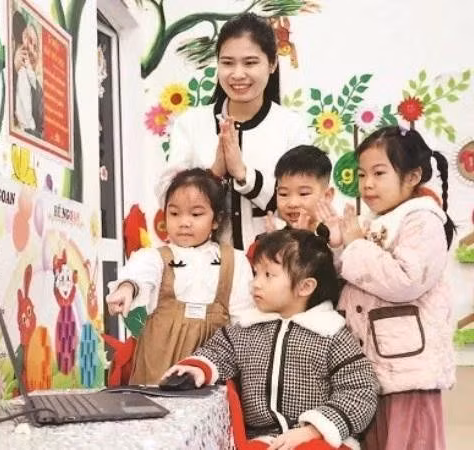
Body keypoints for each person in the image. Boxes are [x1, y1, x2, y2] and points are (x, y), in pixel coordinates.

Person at [163, 229, 379, 449]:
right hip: (264, 437)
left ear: (305, 287)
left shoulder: (331, 334)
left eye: (268, 275)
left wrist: (314, 428)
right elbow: (218, 352)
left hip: (320, 437)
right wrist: (197, 368)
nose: (256, 283)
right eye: (256, 273)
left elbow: (360, 390)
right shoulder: (248, 328)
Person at [316, 126, 456, 450]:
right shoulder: (376, 220)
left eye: (379, 173)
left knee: (409, 442)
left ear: (412, 176)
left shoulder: (423, 220)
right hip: (374, 368)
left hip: (409, 371)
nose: (367, 184)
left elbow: (405, 279)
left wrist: (354, 246)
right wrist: (338, 245)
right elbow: (356, 275)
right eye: (362, 174)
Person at [164, 13, 308, 251]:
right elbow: (168, 199)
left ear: (271, 64)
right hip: (203, 272)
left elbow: (301, 203)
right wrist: (215, 173)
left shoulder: (291, 127)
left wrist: (243, 175)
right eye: (227, 63)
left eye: (250, 63)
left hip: (274, 269)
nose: (238, 74)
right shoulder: (190, 124)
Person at [105, 168, 255, 384]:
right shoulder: (155, 257)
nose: (184, 222)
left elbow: (243, 321)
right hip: (157, 365)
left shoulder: (235, 261)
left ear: (216, 220)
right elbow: (140, 274)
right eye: (174, 213)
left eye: (196, 214)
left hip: (212, 368)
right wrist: (127, 287)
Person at [246, 145, 335, 262]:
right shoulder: (267, 241)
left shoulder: (335, 240)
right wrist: (270, 248)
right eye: (283, 194)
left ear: (327, 196)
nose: (292, 203)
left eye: (303, 194)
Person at [12, 11, 43, 137]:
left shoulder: (39, 91)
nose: (30, 48)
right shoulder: (15, 70)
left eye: (35, 47)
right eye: (28, 40)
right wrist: (14, 70)